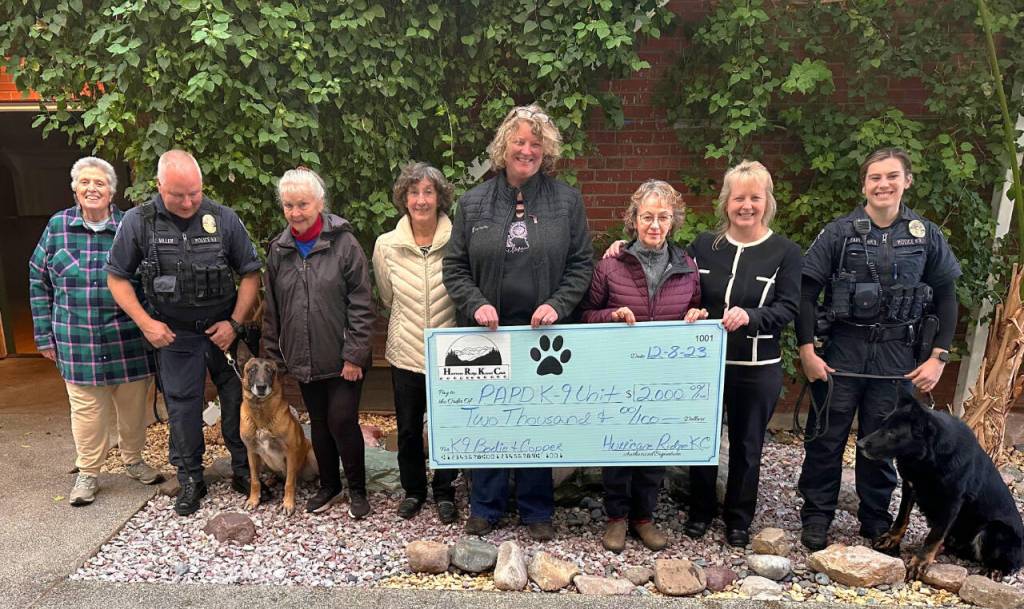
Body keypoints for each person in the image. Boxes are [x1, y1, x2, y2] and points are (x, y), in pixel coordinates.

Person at [796, 147, 961, 551]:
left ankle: (875, 519)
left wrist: (938, 357)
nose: (883, 184)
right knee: (825, 437)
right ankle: (817, 516)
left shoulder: (925, 235)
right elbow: (806, 295)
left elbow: (947, 297)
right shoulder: (839, 233)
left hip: (897, 354)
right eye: (875, 177)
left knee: (885, 440)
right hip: (843, 350)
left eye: (891, 176)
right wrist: (806, 351)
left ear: (907, 181)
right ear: (863, 185)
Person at [443, 104, 594, 541]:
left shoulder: (567, 201)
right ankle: (486, 506)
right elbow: (454, 267)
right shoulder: (473, 203)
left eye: (536, 144)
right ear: (503, 146)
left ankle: (536, 508)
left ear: (546, 151)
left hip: (541, 334)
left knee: (536, 419)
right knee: (488, 418)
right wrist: (475, 304)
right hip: (486, 332)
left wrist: (558, 304)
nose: (527, 150)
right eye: (519, 141)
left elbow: (581, 264)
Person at [106, 149, 263, 516]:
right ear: (160, 186)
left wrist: (234, 324)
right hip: (174, 335)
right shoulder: (139, 222)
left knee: (237, 402)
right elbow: (117, 278)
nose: (189, 202)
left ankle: (245, 471)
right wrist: (147, 324)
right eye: (179, 195)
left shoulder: (223, 219)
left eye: (195, 192)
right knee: (182, 408)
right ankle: (191, 478)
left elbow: (250, 273)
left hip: (223, 331)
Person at [580, 179, 707, 552]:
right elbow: (585, 315)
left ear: (673, 221)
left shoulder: (687, 267)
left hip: (664, 376)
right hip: (618, 373)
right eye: (647, 216)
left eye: (663, 217)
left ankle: (644, 517)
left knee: (654, 446)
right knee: (617, 447)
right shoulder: (610, 266)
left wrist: (697, 315)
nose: (655, 225)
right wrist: (611, 316)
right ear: (633, 219)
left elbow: (695, 308)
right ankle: (616, 518)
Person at [29, 156, 163, 507]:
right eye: (85, 182)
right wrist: (43, 335)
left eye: (100, 183)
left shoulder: (129, 227)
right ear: (75, 189)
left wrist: (151, 327)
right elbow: (38, 280)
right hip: (78, 342)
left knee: (133, 410)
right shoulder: (58, 226)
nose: (92, 189)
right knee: (87, 413)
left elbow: (149, 281)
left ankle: (133, 459)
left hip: (127, 340)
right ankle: (88, 472)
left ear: (112, 192)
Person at [682, 161, 802, 547]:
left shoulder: (785, 252)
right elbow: (678, 285)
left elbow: (789, 307)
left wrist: (752, 316)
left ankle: (738, 518)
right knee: (701, 439)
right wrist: (693, 310)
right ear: (726, 202)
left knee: (748, 446)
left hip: (756, 366)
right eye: (738, 198)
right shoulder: (704, 246)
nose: (746, 205)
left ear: (767, 202)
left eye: (755, 197)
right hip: (706, 364)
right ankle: (699, 511)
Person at [263, 167, 375, 518]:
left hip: (343, 358)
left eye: (303, 204)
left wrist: (354, 354)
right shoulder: (279, 250)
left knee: (341, 420)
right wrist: (274, 359)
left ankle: (357, 489)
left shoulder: (344, 244)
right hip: (302, 356)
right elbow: (272, 309)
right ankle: (329, 486)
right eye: (289, 205)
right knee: (319, 422)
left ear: (320, 203)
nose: (296, 212)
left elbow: (362, 302)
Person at [372, 162, 459, 524]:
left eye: (428, 192)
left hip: (449, 352)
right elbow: (387, 296)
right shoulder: (386, 245)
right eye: (413, 192)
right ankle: (413, 491)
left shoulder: (459, 240)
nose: (421, 200)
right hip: (405, 350)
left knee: (447, 426)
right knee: (408, 428)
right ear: (403, 198)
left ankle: (445, 491)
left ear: (439, 198)